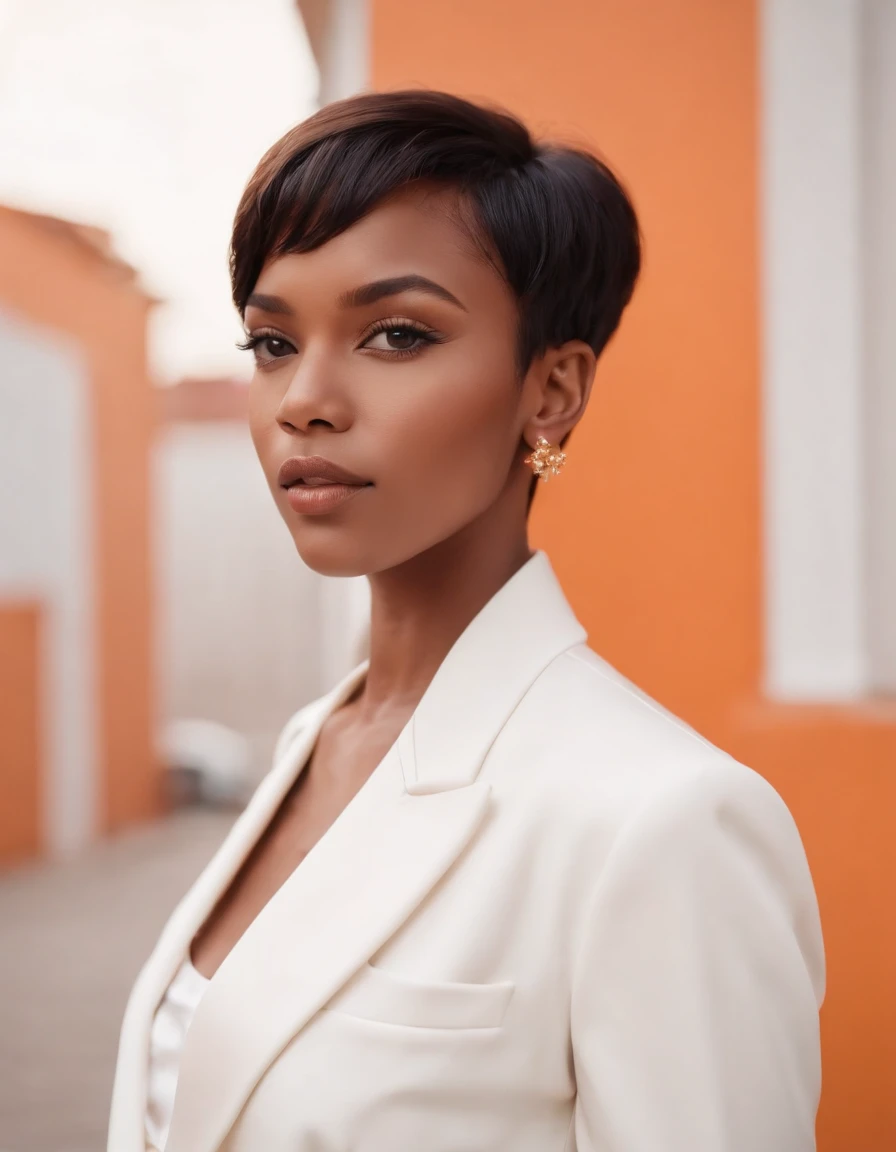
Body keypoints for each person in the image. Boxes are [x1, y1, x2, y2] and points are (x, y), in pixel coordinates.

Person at [107, 89, 824, 1152]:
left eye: (395, 334)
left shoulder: (662, 821)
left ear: (550, 393)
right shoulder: (318, 741)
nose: (305, 397)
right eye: (270, 341)